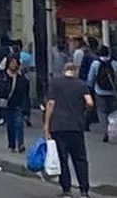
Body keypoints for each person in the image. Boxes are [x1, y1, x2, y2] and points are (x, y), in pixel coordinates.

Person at [47, 62, 94, 196]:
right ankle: (84, 190)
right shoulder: (81, 84)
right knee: (80, 159)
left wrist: (46, 125)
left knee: (63, 159)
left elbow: (51, 103)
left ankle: (66, 190)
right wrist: (84, 111)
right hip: (76, 126)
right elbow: (89, 102)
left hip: (58, 126)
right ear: (75, 71)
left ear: (64, 70)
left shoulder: (56, 83)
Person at [0, 55, 29, 151]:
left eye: (15, 63)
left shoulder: (20, 77)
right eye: (12, 62)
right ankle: (12, 144)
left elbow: (25, 90)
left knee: (19, 123)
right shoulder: (3, 75)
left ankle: (20, 144)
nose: (13, 64)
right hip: (6, 103)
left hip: (17, 103)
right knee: (10, 124)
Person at [86, 45, 117, 143]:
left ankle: (105, 131)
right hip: (113, 91)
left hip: (100, 91)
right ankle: (113, 129)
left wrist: (89, 87)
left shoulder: (95, 63)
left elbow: (91, 78)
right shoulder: (114, 63)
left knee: (102, 112)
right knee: (112, 112)